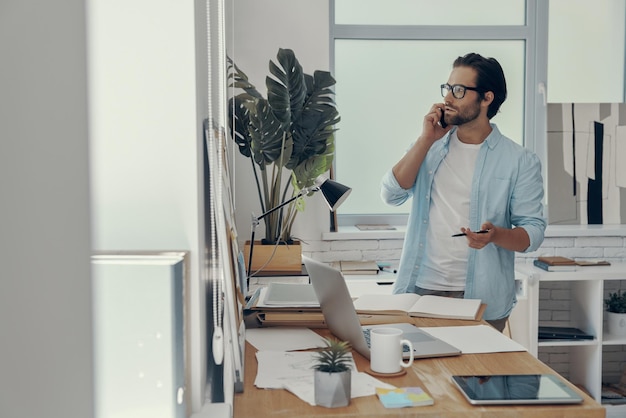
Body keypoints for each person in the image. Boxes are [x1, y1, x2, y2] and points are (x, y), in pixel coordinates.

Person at [380, 53, 546, 331]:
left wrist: (496, 236)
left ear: (486, 98)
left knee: (474, 375)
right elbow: (391, 194)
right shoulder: (430, 146)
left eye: (459, 91)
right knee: (415, 373)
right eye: (447, 88)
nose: (448, 98)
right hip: (420, 289)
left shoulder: (520, 160)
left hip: (482, 299)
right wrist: (425, 139)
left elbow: (533, 233)